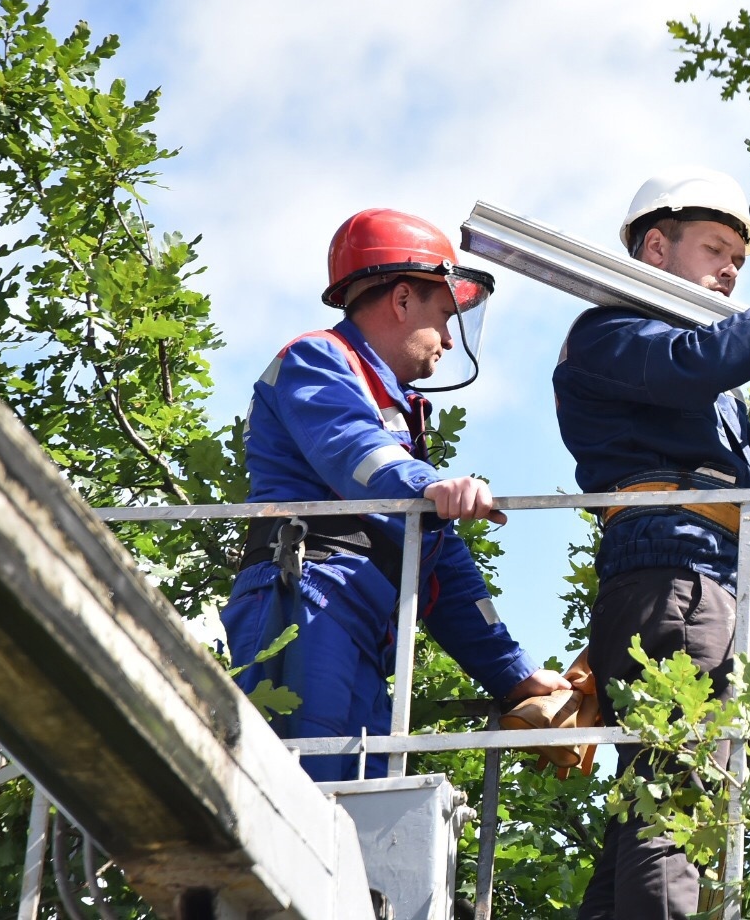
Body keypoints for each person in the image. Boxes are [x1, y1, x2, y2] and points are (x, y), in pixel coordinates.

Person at [554, 167, 750, 919]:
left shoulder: (710, 388)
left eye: (739, 255)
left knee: (655, 803)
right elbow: (699, 361)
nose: (732, 269)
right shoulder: (613, 331)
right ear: (657, 247)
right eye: (716, 248)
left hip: (704, 585)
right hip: (675, 581)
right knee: (679, 802)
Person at [224, 208, 568, 781]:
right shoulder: (317, 359)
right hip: (305, 600)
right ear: (403, 299)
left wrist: (517, 674)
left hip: (361, 626)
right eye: (444, 313)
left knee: (364, 807)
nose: (450, 340)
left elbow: (442, 570)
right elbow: (353, 453)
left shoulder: (399, 412)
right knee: (303, 791)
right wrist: (429, 485)